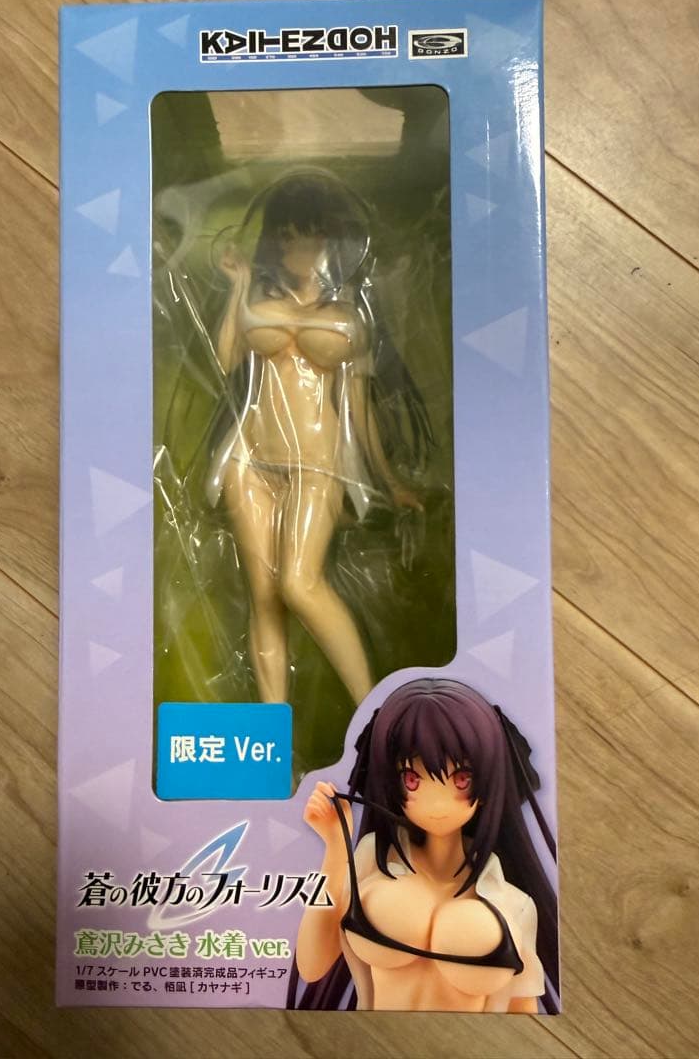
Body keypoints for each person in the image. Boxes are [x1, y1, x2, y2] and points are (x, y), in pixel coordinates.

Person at [206, 171, 431, 706]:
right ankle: (273, 738)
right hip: (249, 459)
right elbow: (226, 360)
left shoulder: (350, 313)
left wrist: (390, 481)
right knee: (264, 597)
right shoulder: (260, 296)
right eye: (283, 235)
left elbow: (357, 407)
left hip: (317, 465)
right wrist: (238, 287)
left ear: (329, 236)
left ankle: (374, 713)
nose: (293, 247)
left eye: (305, 233)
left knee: (299, 583)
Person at [290, 678, 559, 1012]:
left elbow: (522, 1010)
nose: (437, 804)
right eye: (412, 779)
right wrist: (334, 845)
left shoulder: (514, 903)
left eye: (462, 779)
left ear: (489, 780)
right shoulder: (373, 860)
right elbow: (312, 966)